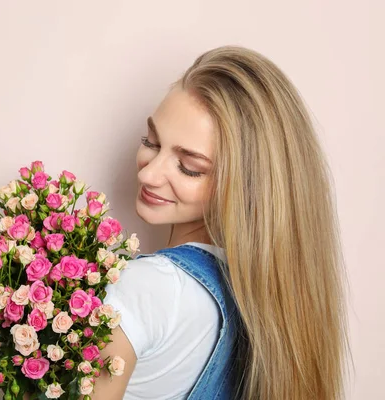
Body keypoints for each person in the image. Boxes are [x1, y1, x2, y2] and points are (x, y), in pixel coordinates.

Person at [87, 45, 353, 400]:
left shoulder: (146, 288)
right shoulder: (259, 294)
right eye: (151, 141)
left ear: (246, 187)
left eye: (190, 167)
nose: (149, 173)